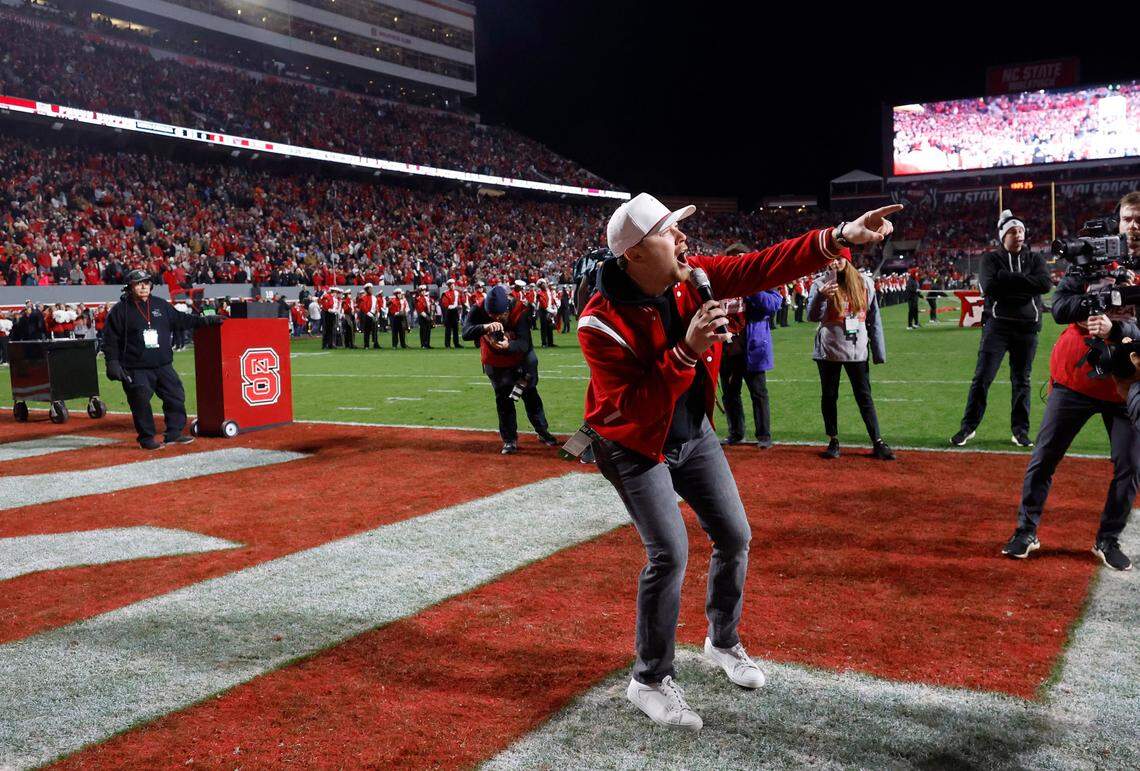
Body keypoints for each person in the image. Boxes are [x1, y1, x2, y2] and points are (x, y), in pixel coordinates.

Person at [578, 191, 902, 731]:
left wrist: (840, 234)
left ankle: (721, 641)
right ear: (633, 254)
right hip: (633, 445)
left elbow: (762, 265)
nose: (683, 239)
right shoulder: (598, 324)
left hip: (692, 430)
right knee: (670, 554)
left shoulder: (691, 274)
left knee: (735, 534)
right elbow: (632, 408)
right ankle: (650, 678)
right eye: (667, 232)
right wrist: (685, 351)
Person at [1002, 193, 1140, 572]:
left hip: (1125, 384)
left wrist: (1119, 327)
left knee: (1130, 467)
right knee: (1044, 457)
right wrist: (1091, 303)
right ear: (1118, 221)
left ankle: (1107, 538)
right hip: (1075, 379)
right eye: (1129, 218)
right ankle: (1026, 530)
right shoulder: (1092, 260)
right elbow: (1059, 307)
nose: (1135, 226)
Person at [952, 210, 1051, 447]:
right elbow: (989, 287)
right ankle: (968, 427)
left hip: (1027, 329)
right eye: (1013, 231)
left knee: (1022, 381)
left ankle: (1020, 431)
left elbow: (1045, 284)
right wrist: (1026, 285)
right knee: (982, 378)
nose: (1019, 235)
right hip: (997, 327)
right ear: (1002, 236)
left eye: (1021, 231)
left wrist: (1008, 278)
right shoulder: (990, 259)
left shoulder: (1035, 259)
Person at [103, 270, 223, 449]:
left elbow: (182, 320)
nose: (144, 286)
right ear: (130, 287)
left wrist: (206, 321)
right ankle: (146, 438)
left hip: (163, 365)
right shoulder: (119, 311)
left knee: (176, 396)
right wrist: (112, 362)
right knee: (140, 400)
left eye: (146, 283)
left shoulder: (160, 305)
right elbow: (110, 340)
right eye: (138, 283)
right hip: (136, 367)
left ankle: (173, 434)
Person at [807, 252, 894, 460]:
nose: (835, 263)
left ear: (848, 260)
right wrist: (821, 295)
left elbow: (874, 318)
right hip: (829, 350)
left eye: (839, 258)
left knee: (864, 396)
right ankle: (833, 440)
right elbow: (811, 316)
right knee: (829, 396)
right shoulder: (820, 282)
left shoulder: (865, 283)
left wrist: (878, 351)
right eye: (831, 259)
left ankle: (877, 441)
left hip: (858, 349)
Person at [462, 284, 558, 454]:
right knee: (503, 400)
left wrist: (508, 345)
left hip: (519, 361)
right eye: (493, 315)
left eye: (500, 315)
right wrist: (485, 327)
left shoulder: (519, 310)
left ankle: (542, 431)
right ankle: (509, 440)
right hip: (495, 363)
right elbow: (466, 332)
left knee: (529, 394)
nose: (497, 319)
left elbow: (524, 343)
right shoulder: (479, 309)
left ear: (507, 308)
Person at [718, 243, 779, 448]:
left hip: (752, 348)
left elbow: (773, 305)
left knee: (759, 393)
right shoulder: (720, 282)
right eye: (733, 259)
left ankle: (764, 436)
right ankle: (735, 433)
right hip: (726, 348)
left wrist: (750, 288)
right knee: (730, 394)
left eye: (741, 258)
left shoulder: (760, 279)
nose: (737, 262)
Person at [357, 283, 382, 349]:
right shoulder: (363, 298)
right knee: (367, 331)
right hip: (367, 315)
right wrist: (369, 314)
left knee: (375, 330)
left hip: (374, 315)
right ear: (367, 290)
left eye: (371, 288)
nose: (371, 290)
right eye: (370, 288)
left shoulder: (374, 297)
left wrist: (377, 313)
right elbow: (363, 307)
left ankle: (375, 343)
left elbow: (376, 306)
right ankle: (366, 345)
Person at [440, 278, 464, 348]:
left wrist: (459, 306)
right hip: (449, 312)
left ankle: (456, 343)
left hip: (455, 311)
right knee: (448, 329)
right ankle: (447, 344)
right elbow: (445, 304)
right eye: (451, 285)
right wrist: (453, 306)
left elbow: (459, 302)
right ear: (448, 286)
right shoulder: (445, 293)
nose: (452, 286)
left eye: (453, 284)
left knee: (456, 329)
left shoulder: (457, 293)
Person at [537, 278, 559, 347]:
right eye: (543, 284)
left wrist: (554, 309)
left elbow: (552, 301)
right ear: (540, 286)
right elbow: (544, 306)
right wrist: (553, 311)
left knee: (550, 328)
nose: (545, 285)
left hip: (549, 311)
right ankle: (544, 343)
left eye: (545, 283)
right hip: (544, 312)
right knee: (544, 327)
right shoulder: (540, 294)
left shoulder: (548, 292)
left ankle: (550, 343)